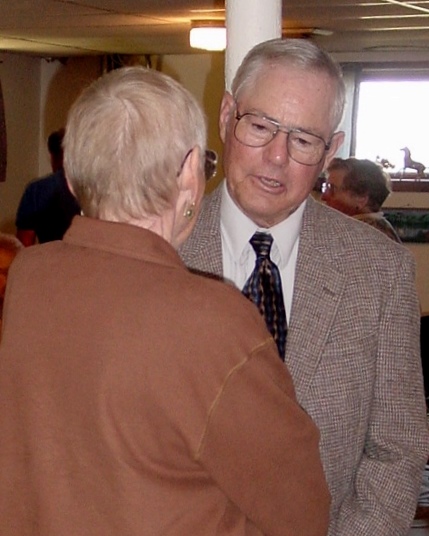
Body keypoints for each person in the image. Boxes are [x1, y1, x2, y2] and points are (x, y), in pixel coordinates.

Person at [0, 66, 330, 536]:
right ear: (191, 172)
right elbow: (303, 512)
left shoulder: (30, 277)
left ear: (69, 176)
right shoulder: (213, 320)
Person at [180, 38, 429, 536]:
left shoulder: (380, 271)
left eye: (303, 140)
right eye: (260, 126)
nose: (277, 157)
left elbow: (398, 449)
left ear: (331, 150)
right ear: (227, 117)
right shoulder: (163, 253)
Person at [15, 128, 81, 246]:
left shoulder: (35, 190)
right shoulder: (93, 189)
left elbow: (24, 245)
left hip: (48, 254)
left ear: (52, 156)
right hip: (87, 255)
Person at [322, 157, 401, 242]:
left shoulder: (359, 236)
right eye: (326, 188)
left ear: (361, 199)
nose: (324, 197)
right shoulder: (381, 229)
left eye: (332, 189)